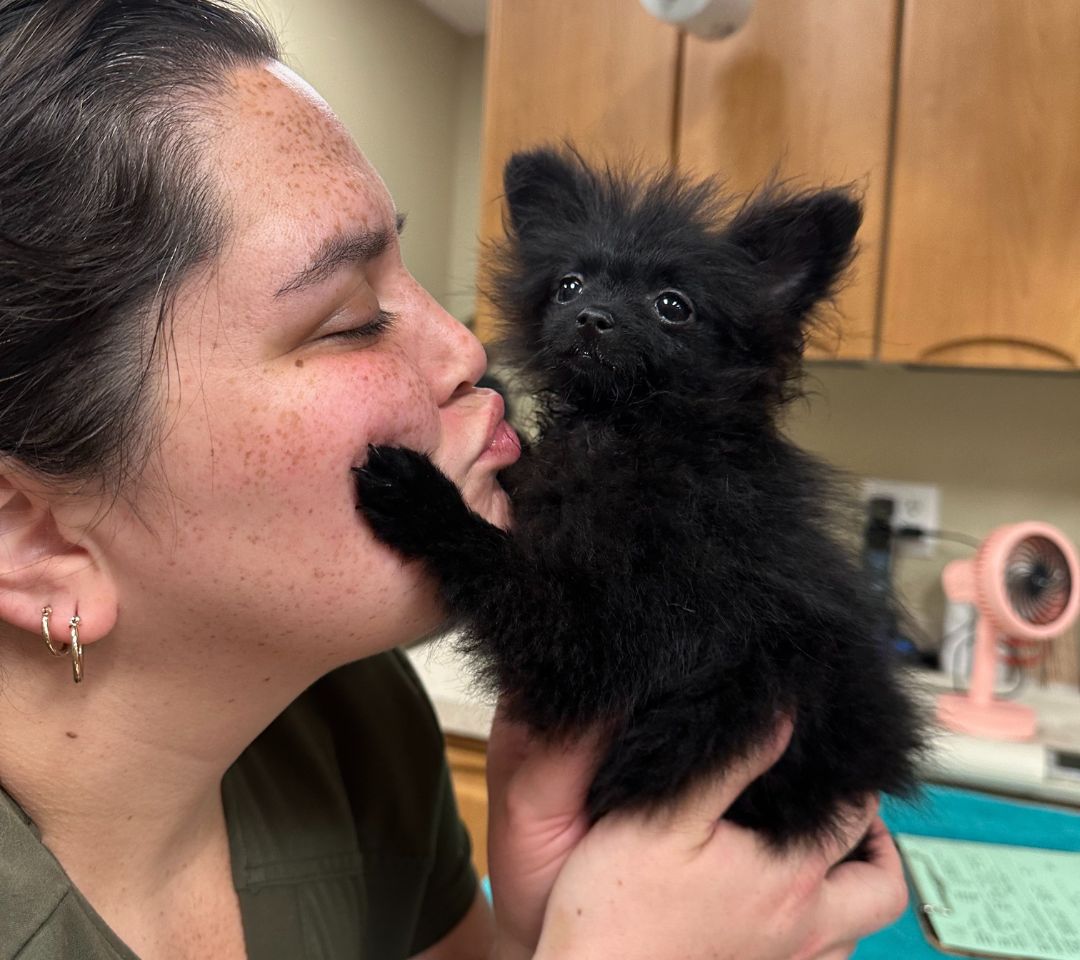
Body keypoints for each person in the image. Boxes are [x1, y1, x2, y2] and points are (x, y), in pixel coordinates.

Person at [0, 2, 908, 958]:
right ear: (37, 536)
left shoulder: (357, 725)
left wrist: (536, 931)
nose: (470, 350)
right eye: (348, 317)